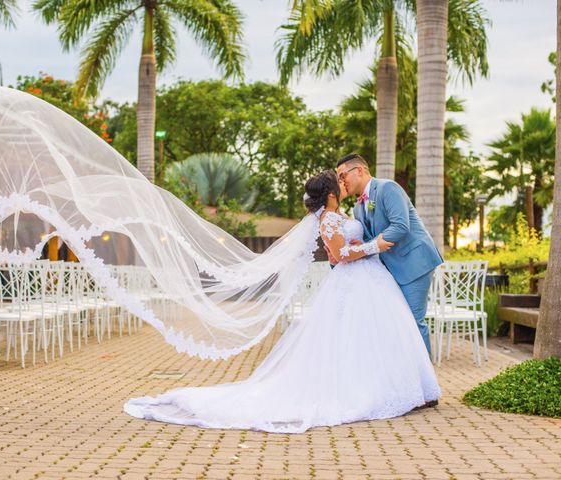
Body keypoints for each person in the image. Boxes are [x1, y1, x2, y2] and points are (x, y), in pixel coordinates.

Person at [123, 170, 441, 433]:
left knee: (373, 333)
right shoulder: (329, 218)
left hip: (370, 278)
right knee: (354, 333)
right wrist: (371, 248)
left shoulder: (342, 213)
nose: (344, 185)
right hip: (356, 278)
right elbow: (341, 254)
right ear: (331, 193)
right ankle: (365, 390)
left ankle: (390, 386)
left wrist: (356, 245)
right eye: (339, 182)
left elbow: (342, 247)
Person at [332, 153, 444, 362]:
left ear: (360, 170)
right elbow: (369, 239)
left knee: (413, 322)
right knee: (399, 324)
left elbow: (401, 226)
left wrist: (367, 245)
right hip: (391, 269)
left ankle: (427, 389)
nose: (341, 181)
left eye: (342, 175)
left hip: (414, 262)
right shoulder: (357, 207)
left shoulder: (387, 188)